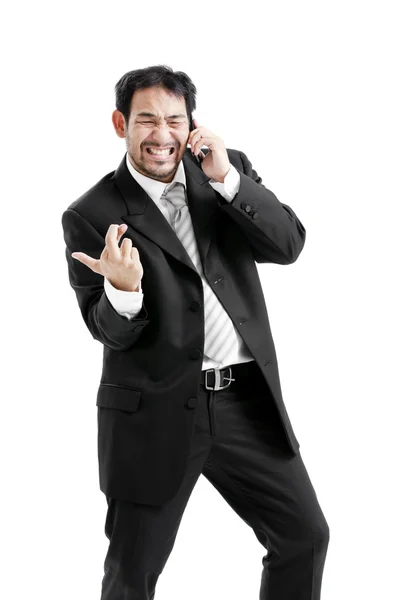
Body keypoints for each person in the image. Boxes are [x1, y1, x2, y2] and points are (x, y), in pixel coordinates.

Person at [61, 64, 329, 600]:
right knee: (132, 573)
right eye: (146, 121)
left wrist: (229, 180)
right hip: (155, 411)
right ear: (121, 124)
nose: (161, 135)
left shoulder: (225, 173)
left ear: (192, 125)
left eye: (174, 120)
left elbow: (288, 245)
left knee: (304, 536)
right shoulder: (92, 214)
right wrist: (124, 291)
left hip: (245, 404)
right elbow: (106, 330)